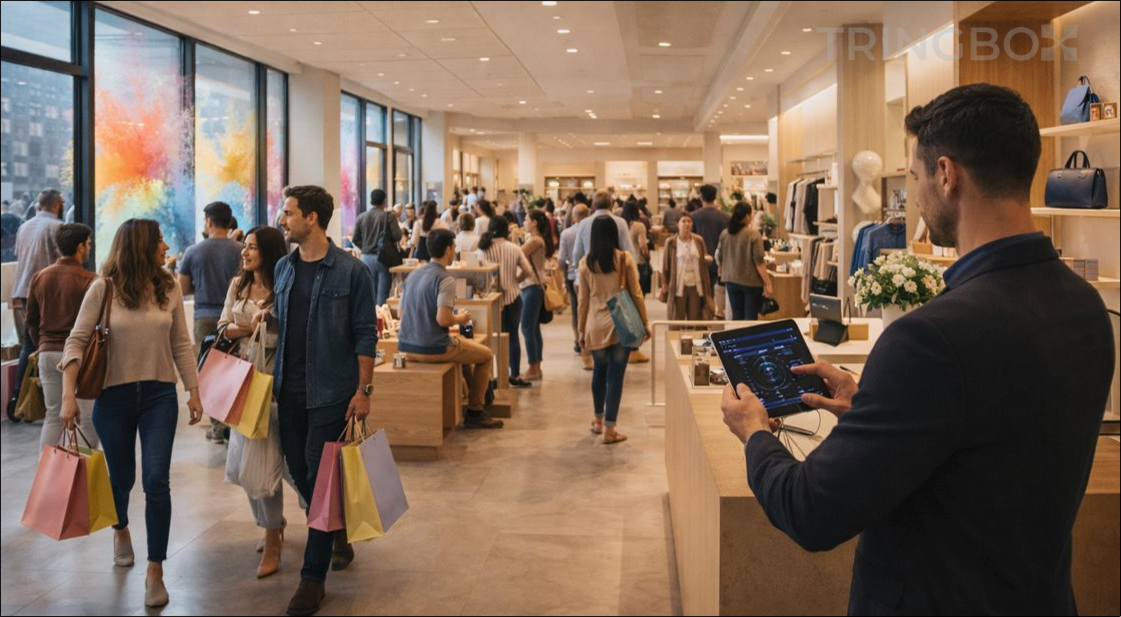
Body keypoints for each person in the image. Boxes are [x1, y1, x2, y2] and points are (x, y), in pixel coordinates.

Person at [719, 83, 1115, 615]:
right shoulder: (1086, 309)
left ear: (946, 175)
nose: (916, 191)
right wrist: (875, 408)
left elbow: (811, 511)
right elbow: (992, 442)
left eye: (915, 175)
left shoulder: (929, 337)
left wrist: (753, 433)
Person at [60, 219, 204, 609]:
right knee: (121, 478)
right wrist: (68, 396)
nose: (164, 246)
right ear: (140, 246)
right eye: (158, 240)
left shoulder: (168, 287)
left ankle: (155, 568)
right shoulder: (102, 289)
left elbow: (181, 345)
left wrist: (193, 391)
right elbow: (76, 341)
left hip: (159, 395)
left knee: (157, 480)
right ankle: (120, 529)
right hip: (114, 397)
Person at [270, 185, 377, 616]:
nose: (282, 219)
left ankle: (312, 580)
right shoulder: (283, 267)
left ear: (312, 218)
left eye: (289, 212)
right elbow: (284, 322)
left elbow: (365, 333)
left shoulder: (351, 273)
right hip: (288, 392)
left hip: (332, 394)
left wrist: (363, 390)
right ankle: (338, 528)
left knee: (318, 478)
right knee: (301, 474)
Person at [217, 225, 291, 579]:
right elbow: (221, 329)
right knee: (252, 464)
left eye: (252, 248)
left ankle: (278, 530)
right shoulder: (238, 286)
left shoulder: (284, 289)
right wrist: (252, 326)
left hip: (277, 386)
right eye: (244, 247)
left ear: (269, 252)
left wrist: (267, 320)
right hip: (244, 383)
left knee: (280, 465)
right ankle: (271, 529)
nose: (244, 253)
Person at [398, 228, 503, 429]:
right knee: (486, 355)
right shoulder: (445, 279)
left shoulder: (412, 276)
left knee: (465, 358)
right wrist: (461, 318)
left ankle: (474, 402)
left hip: (407, 348)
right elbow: (443, 319)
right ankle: (475, 411)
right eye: (454, 246)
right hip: (434, 348)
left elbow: (402, 314)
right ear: (448, 249)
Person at [26, 223, 99, 452]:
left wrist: (41, 344)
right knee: (86, 417)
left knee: (53, 414)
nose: (89, 248)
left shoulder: (40, 277)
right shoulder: (91, 280)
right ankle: (82, 473)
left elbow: (31, 319)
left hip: (47, 352)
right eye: (88, 244)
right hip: (81, 356)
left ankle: (47, 472)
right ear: (80, 247)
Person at [577, 217, 650, 445]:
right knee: (615, 376)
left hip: (595, 324)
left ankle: (598, 420)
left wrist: (580, 330)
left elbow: (583, 300)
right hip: (622, 325)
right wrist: (645, 322)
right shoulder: (624, 258)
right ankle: (610, 429)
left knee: (599, 371)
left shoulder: (585, 263)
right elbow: (636, 293)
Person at [179, 201, 244, 444]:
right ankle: (235, 423)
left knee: (209, 371)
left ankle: (218, 426)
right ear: (229, 222)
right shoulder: (241, 250)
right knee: (234, 369)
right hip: (234, 319)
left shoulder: (193, 252)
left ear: (208, 221)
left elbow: (183, 288)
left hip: (204, 317)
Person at [8, 189, 64, 421]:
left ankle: (18, 399)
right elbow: (64, 260)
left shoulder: (24, 226)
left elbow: (19, 255)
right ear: (58, 205)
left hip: (23, 291)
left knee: (28, 346)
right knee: (49, 344)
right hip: (46, 292)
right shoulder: (57, 227)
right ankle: (44, 401)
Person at [478, 216, 533, 388]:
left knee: (493, 337)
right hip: (513, 296)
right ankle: (514, 374)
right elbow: (527, 270)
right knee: (512, 336)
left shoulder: (483, 249)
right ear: (506, 230)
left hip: (491, 300)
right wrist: (516, 279)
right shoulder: (513, 248)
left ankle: (493, 376)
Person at [716, 203, 773, 320]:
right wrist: (768, 283)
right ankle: (749, 338)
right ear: (747, 216)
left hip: (730, 279)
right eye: (751, 214)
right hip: (750, 281)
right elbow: (759, 262)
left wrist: (721, 271)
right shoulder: (753, 235)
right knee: (750, 317)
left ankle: (737, 338)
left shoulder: (725, 233)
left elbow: (720, 256)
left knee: (737, 316)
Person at [519, 209, 554, 382]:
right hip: (533, 285)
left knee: (526, 328)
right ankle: (536, 367)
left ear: (534, 223)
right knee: (533, 328)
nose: (524, 222)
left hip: (532, 286)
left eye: (526, 219)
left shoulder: (535, 240)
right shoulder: (535, 239)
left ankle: (533, 367)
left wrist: (511, 238)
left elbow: (517, 254)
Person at [351, 188, 402, 307]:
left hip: (365, 258)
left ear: (371, 201)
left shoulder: (361, 217)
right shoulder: (389, 216)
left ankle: (370, 322)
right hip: (384, 258)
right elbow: (398, 236)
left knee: (369, 293)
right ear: (384, 201)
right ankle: (380, 322)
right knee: (382, 295)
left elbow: (355, 239)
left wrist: (365, 247)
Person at [659, 213, 714, 321]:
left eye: (689, 221)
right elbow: (666, 264)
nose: (686, 224)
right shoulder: (671, 242)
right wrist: (664, 283)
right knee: (677, 317)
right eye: (683, 221)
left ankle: (696, 338)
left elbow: (704, 257)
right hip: (678, 285)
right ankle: (676, 338)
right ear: (678, 224)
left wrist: (707, 259)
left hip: (696, 284)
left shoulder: (698, 240)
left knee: (696, 317)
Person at [557, 204, 592, 369]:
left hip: (572, 276)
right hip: (592, 276)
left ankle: (578, 341)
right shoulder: (593, 230)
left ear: (574, 216)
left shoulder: (567, 233)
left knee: (576, 310)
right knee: (591, 309)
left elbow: (561, 259)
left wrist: (564, 275)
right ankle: (590, 342)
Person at [689, 185, 729, 298]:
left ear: (701, 198)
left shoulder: (693, 217)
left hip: (697, 261)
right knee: (712, 292)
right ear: (715, 197)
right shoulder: (725, 217)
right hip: (718, 262)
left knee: (697, 295)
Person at [623, 202, 651, 295]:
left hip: (624, 261)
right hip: (638, 260)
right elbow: (642, 245)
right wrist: (647, 256)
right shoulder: (639, 226)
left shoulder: (621, 225)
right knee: (639, 292)